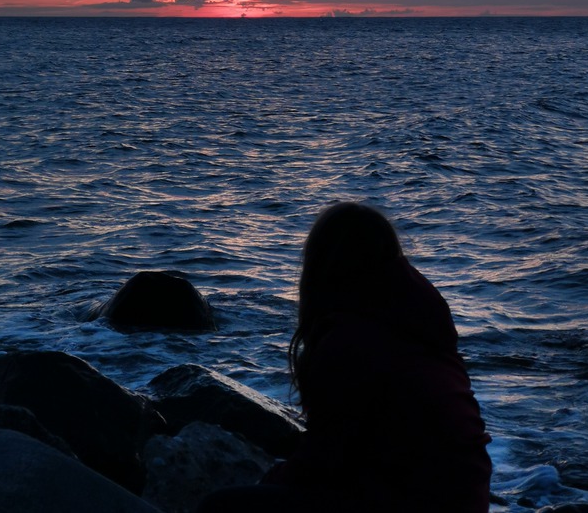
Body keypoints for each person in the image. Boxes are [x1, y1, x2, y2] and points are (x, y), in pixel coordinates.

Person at [198, 201, 492, 513]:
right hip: (469, 498)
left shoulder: (351, 340)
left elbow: (323, 459)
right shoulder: (421, 323)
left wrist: (271, 479)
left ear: (324, 267)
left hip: (411, 501)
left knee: (219, 507)